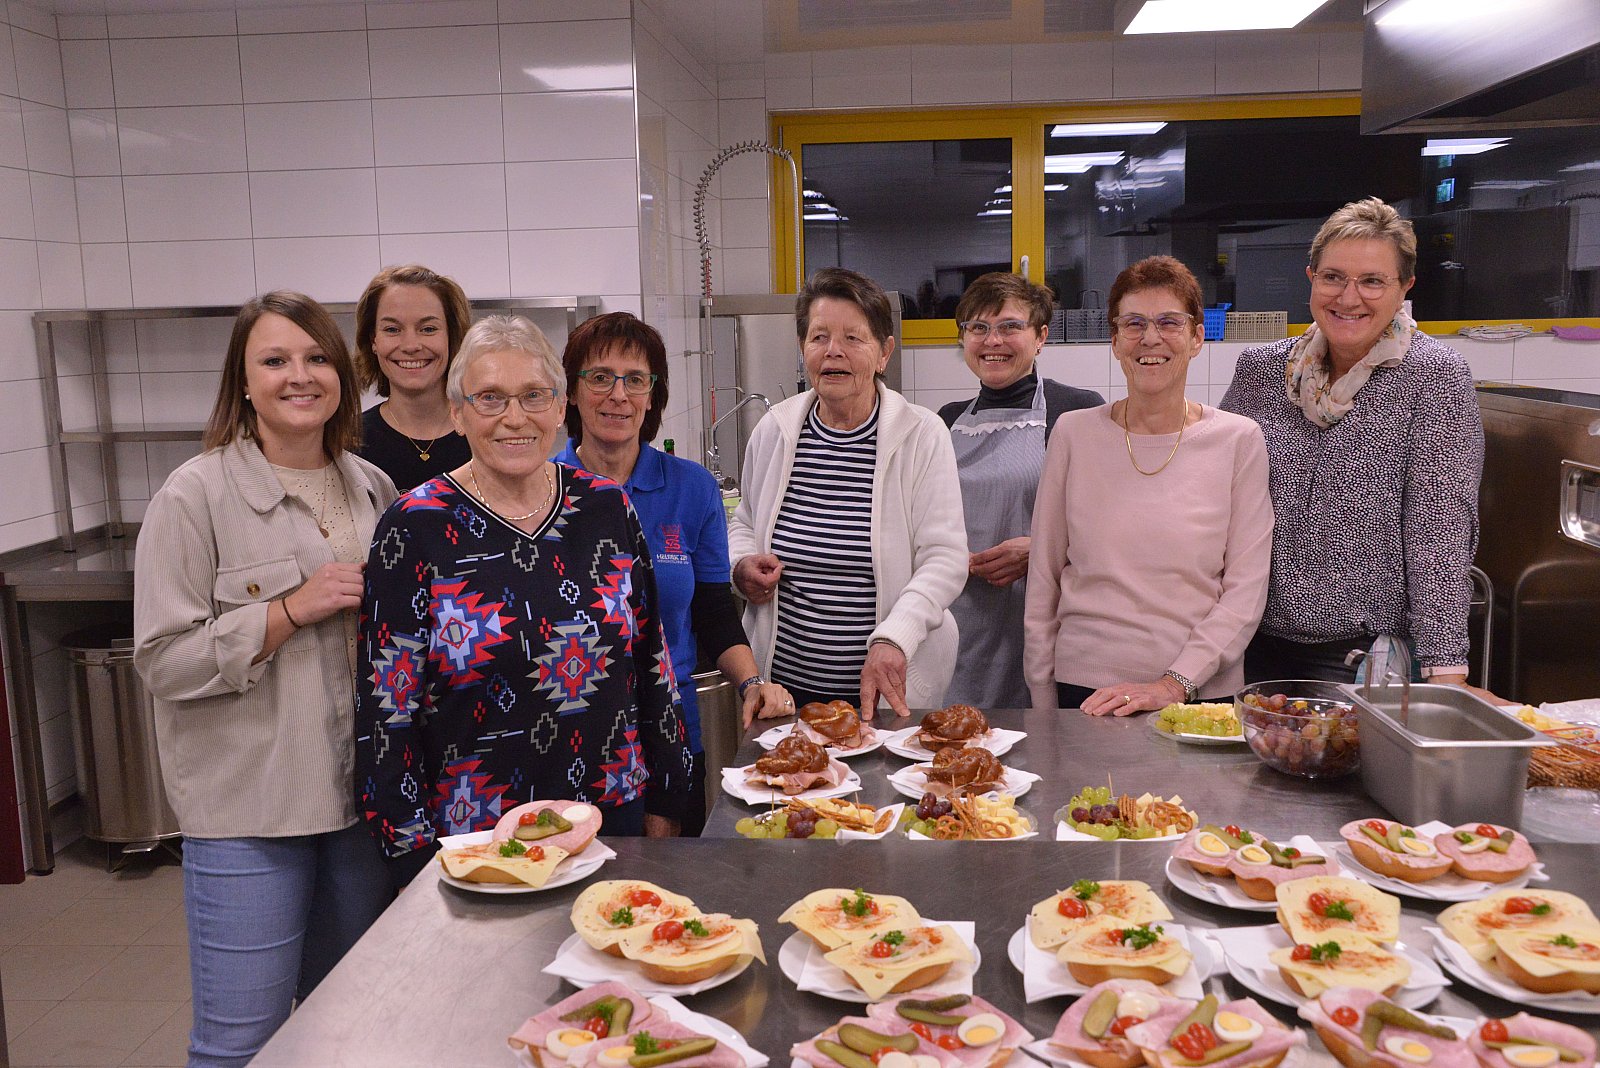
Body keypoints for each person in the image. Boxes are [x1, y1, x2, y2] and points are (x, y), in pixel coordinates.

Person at [133, 291, 395, 1067]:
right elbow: (163, 660)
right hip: (251, 812)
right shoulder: (194, 496)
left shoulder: (371, 487)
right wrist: (287, 611)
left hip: (357, 805)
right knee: (240, 1043)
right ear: (243, 382)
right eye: (275, 360)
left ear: (343, 374)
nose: (299, 376)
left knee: (341, 1028)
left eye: (316, 358)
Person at [355, 314, 691, 887]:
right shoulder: (414, 525)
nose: (515, 417)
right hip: (474, 837)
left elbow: (651, 664)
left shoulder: (607, 507)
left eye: (534, 395)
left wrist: (668, 797)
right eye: (490, 398)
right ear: (457, 413)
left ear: (560, 407)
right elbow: (387, 705)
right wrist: (409, 850)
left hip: (611, 814)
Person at [1222, 197, 1484, 684]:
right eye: (1333, 277)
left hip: (1358, 654)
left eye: (1372, 281)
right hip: (1244, 638)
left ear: (1404, 287)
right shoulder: (1262, 370)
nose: (1348, 298)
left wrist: (1445, 668)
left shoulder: (1434, 377)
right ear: (1311, 278)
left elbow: (1439, 529)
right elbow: (1215, 496)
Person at [555, 311, 792, 834]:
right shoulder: (542, 487)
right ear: (571, 391)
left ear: (652, 395)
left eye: (635, 380)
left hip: (669, 727)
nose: (618, 395)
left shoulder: (691, 488)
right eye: (600, 377)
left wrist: (752, 682)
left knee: (666, 872)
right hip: (568, 731)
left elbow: (712, 612)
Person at [1024, 256, 1273, 715]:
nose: (1151, 338)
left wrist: (1174, 684)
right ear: (1115, 341)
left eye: (1169, 322)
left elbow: (1246, 591)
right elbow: (1043, 578)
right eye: (1134, 323)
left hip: (1198, 695)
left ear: (1197, 337)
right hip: (1083, 692)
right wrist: (1042, 699)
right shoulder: (1074, 434)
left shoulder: (1238, 439)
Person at [728, 267, 967, 718]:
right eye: (818, 337)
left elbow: (945, 559)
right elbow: (744, 523)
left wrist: (895, 637)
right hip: (784, 692)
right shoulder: (774, 430)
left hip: (885, 689)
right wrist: (740, 566)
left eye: (853, 339)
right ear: (802, 348)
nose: (832, 351)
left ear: (884, 353)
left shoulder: (921, 434)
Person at [937, 272, 1104, 708]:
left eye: (1010, 326)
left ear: (1040, 336)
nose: (993, 340)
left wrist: (1038, 549)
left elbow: (1110, 525)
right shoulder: (945, 420)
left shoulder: (1077, 411)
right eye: (978, 327)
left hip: (1041, 618)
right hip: (961, 619)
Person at [353, 264, 474, 492]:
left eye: (428, 329)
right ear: (373, 340)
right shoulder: (347, 443)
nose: (411, 345)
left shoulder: (485, 432)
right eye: (392, 329)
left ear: (452, 336)